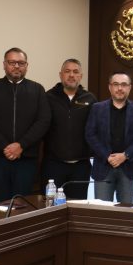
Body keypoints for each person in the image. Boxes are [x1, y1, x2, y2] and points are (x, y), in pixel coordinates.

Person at [0, 47, 50, 202]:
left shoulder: (37, 89)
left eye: (21, 63)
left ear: (27, 65)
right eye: (12, 62)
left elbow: (43, 121)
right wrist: (4, 146)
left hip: (26, 158)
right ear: (4, 64)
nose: (16, 66)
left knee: (22, 204)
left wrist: (21, 145)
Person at [85, 72, 133, 204]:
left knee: (127, 212)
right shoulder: (97, 108)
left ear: (130, 87)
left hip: (128, 168)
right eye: (116, 84)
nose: (119, 88)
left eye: (124, 85)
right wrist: (107, 156)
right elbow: (90, 135)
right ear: (109, 87)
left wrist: (125, 155)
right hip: (103, 166)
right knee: (102, 211)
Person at [43, 58, 97, 199]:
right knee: (52, 206)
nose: (71, 75)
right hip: (54, 164)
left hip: (81, 166)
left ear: (81, 76)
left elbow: (96, 130)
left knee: (78, 206)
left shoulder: (90, 99)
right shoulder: (48, 97)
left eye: (75, 72)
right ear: (61, 75)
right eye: (67, 71)